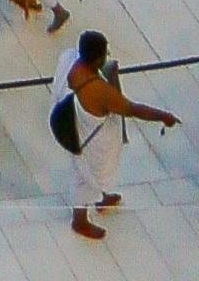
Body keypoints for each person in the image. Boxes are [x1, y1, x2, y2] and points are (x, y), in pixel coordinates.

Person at [55, 32, 172, 242]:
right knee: (87, 179)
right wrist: (164, 116)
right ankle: (79, 220)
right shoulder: (98, 90)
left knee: (93, 176)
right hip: (91, 144)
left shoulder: (68, 59)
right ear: (98, 58)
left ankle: (104, 195)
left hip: (74, 128)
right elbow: (132, 109)